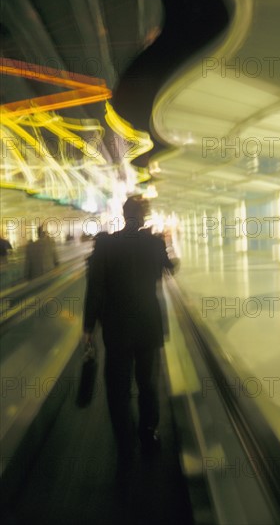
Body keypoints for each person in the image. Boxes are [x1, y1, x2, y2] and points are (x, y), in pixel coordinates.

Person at [83, 196, 178, 475]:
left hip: (116, 327)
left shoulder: (105, 245)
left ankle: (124, 443)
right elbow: (170, 269)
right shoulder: (155, 243)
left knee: (117, 387)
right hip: (148, 324)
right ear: (144, 216)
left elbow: (95, 289)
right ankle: (148, 434)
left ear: (124, 215)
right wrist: (170, 252)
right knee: (148, 382)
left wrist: (88, 327)